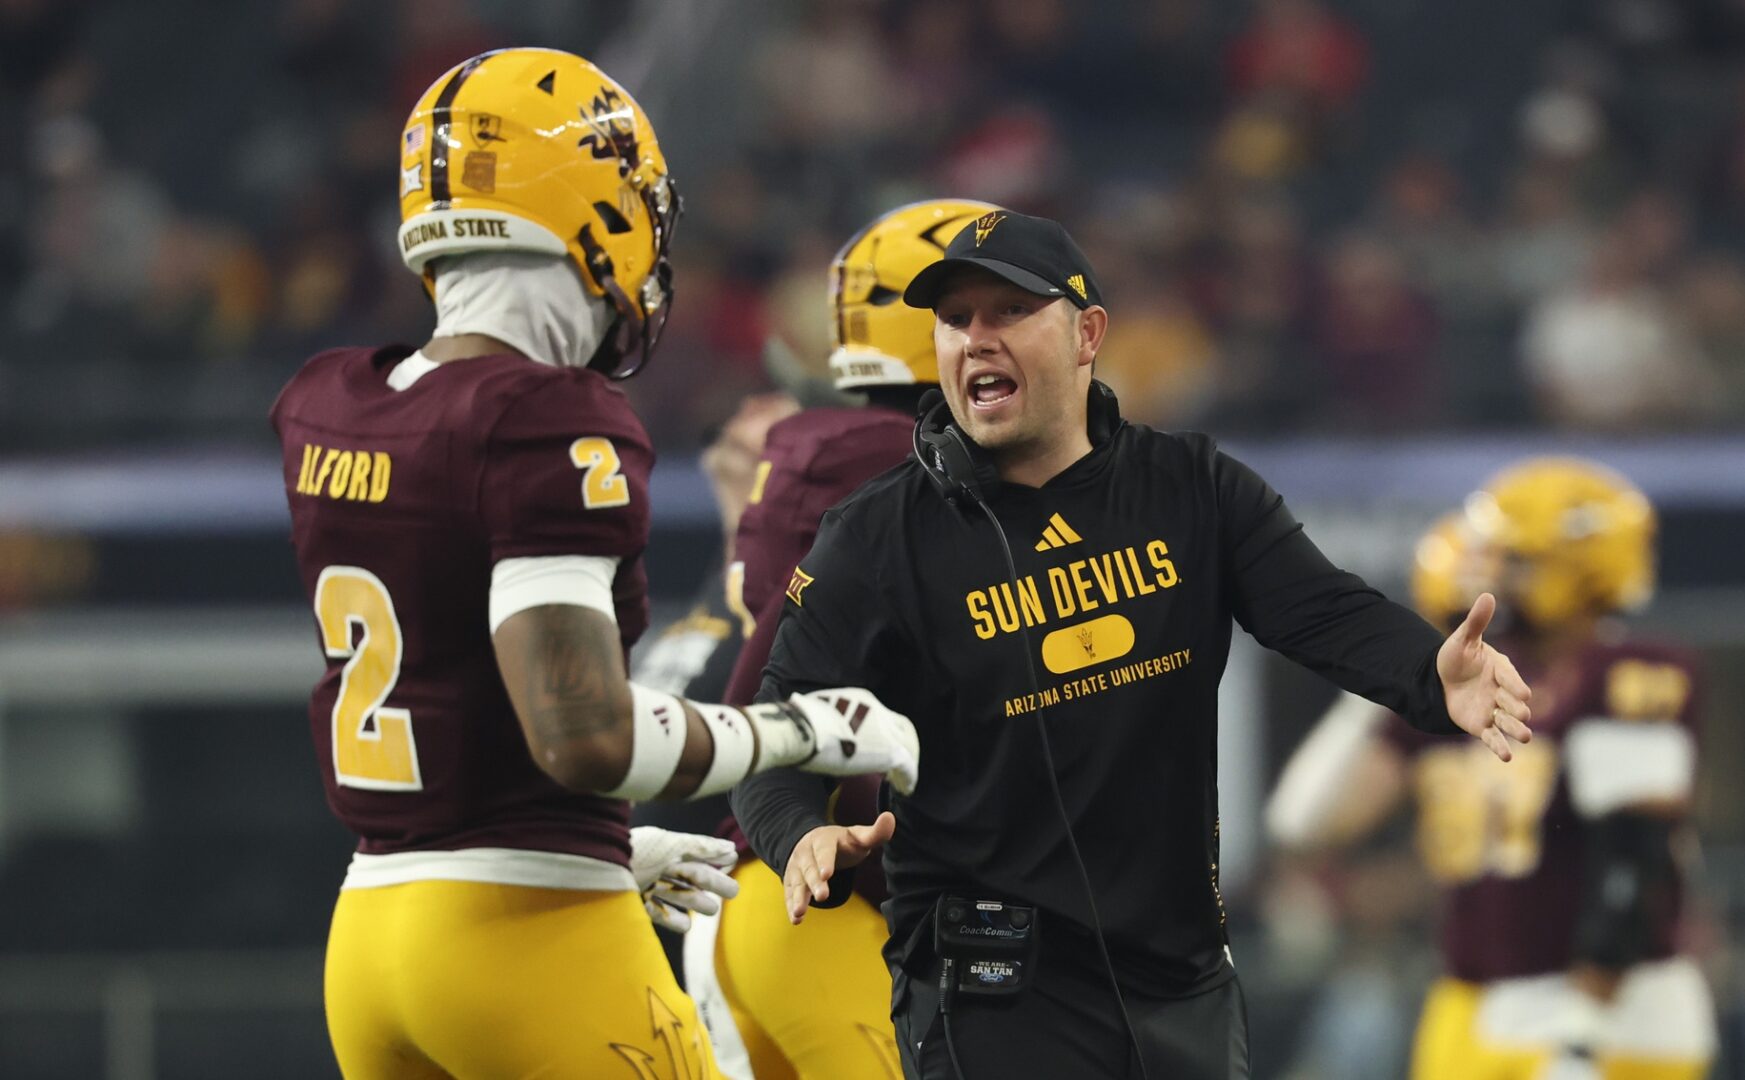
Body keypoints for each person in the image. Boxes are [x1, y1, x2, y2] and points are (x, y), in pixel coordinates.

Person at [730, 211, 1535, 1079]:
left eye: (1006, 311)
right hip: (994, 991)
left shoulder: (1191, 486)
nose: (973, 339)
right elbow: (776, 731)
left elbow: (1326, 611)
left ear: (1087, 334)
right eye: (955, 319)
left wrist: (1427, 673)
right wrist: (795, 834)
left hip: (1179, 980)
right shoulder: (875, 534)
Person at [269, 47, 918, 1079]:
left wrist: (610, 841)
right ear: (593, 209)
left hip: (372, 941)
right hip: (524, 932)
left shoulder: (338, 398)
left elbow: (459, 693)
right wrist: (796, 730)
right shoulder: (545, 415)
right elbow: (584, 735)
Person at [1267, 458, 1716, 1080]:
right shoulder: (1466, 686)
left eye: (1516, 559)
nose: (1492, 573)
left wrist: (1583, 1040)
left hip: (1612, 1009)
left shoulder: (1628, 673)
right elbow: (1306, 823)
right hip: (1471, 1000)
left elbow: (1633, 865)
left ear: (1582, 566)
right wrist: (1395, 667)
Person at [684, 200, 998, 1080]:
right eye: (996, 311)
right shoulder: (906, 469)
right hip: (830, 902)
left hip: (765, 897)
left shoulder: (823, 451)